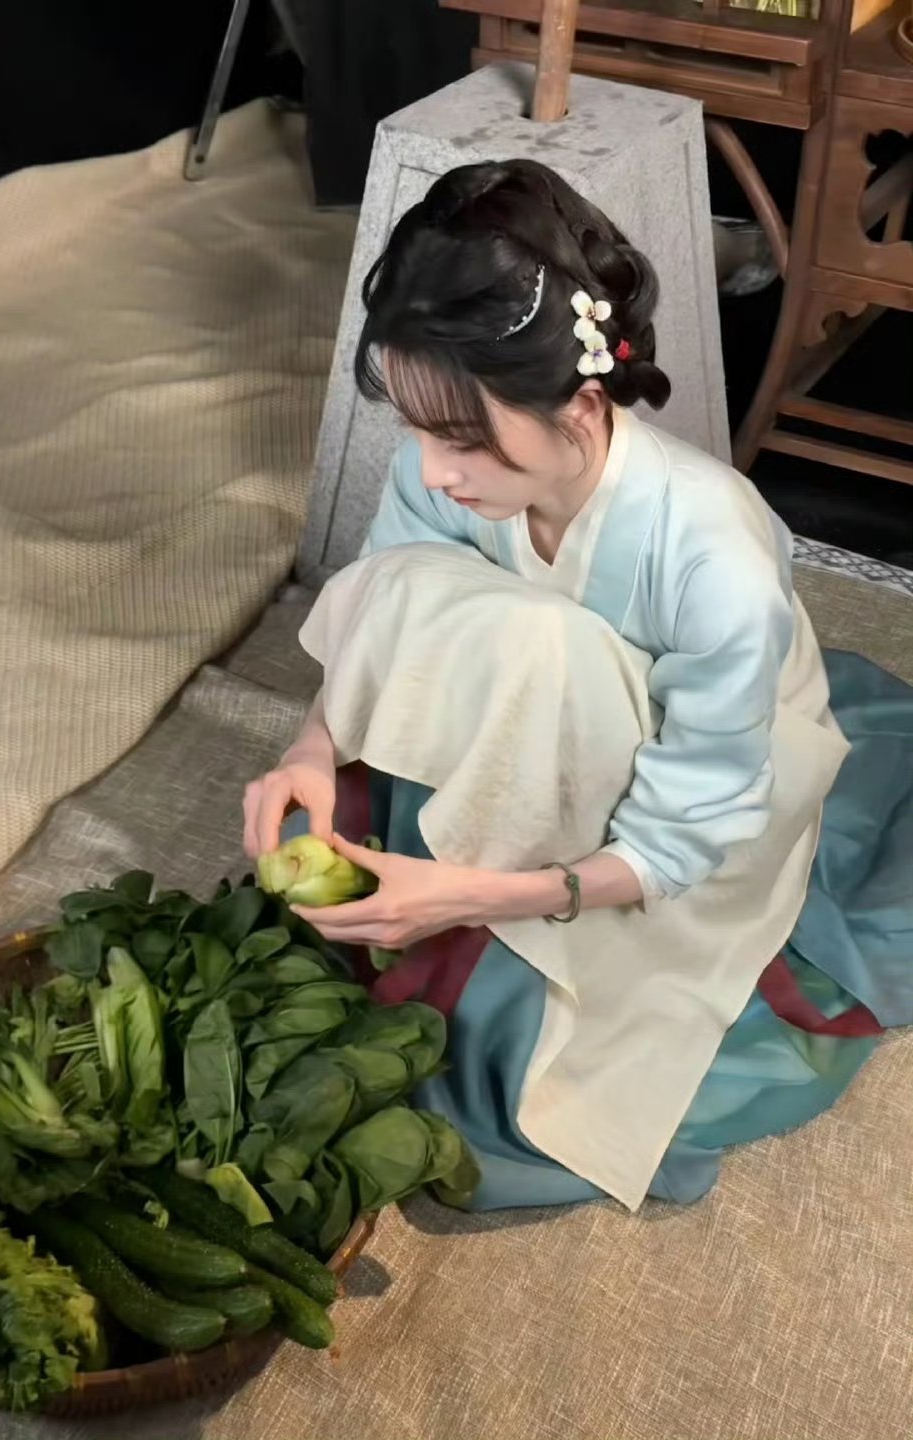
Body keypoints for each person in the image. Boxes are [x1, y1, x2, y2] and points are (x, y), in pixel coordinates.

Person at [243, 159, 913, 1211]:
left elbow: (676, 844)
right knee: (431, 585)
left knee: (533, 1071)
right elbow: (392, 606)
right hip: (541, 734)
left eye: (461, 438)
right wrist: (312, 748)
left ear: (582, 402)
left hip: (682, 811)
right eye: (413, 428)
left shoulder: (714, 552)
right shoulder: (448, 475)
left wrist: (471, 897)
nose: (432, 470)